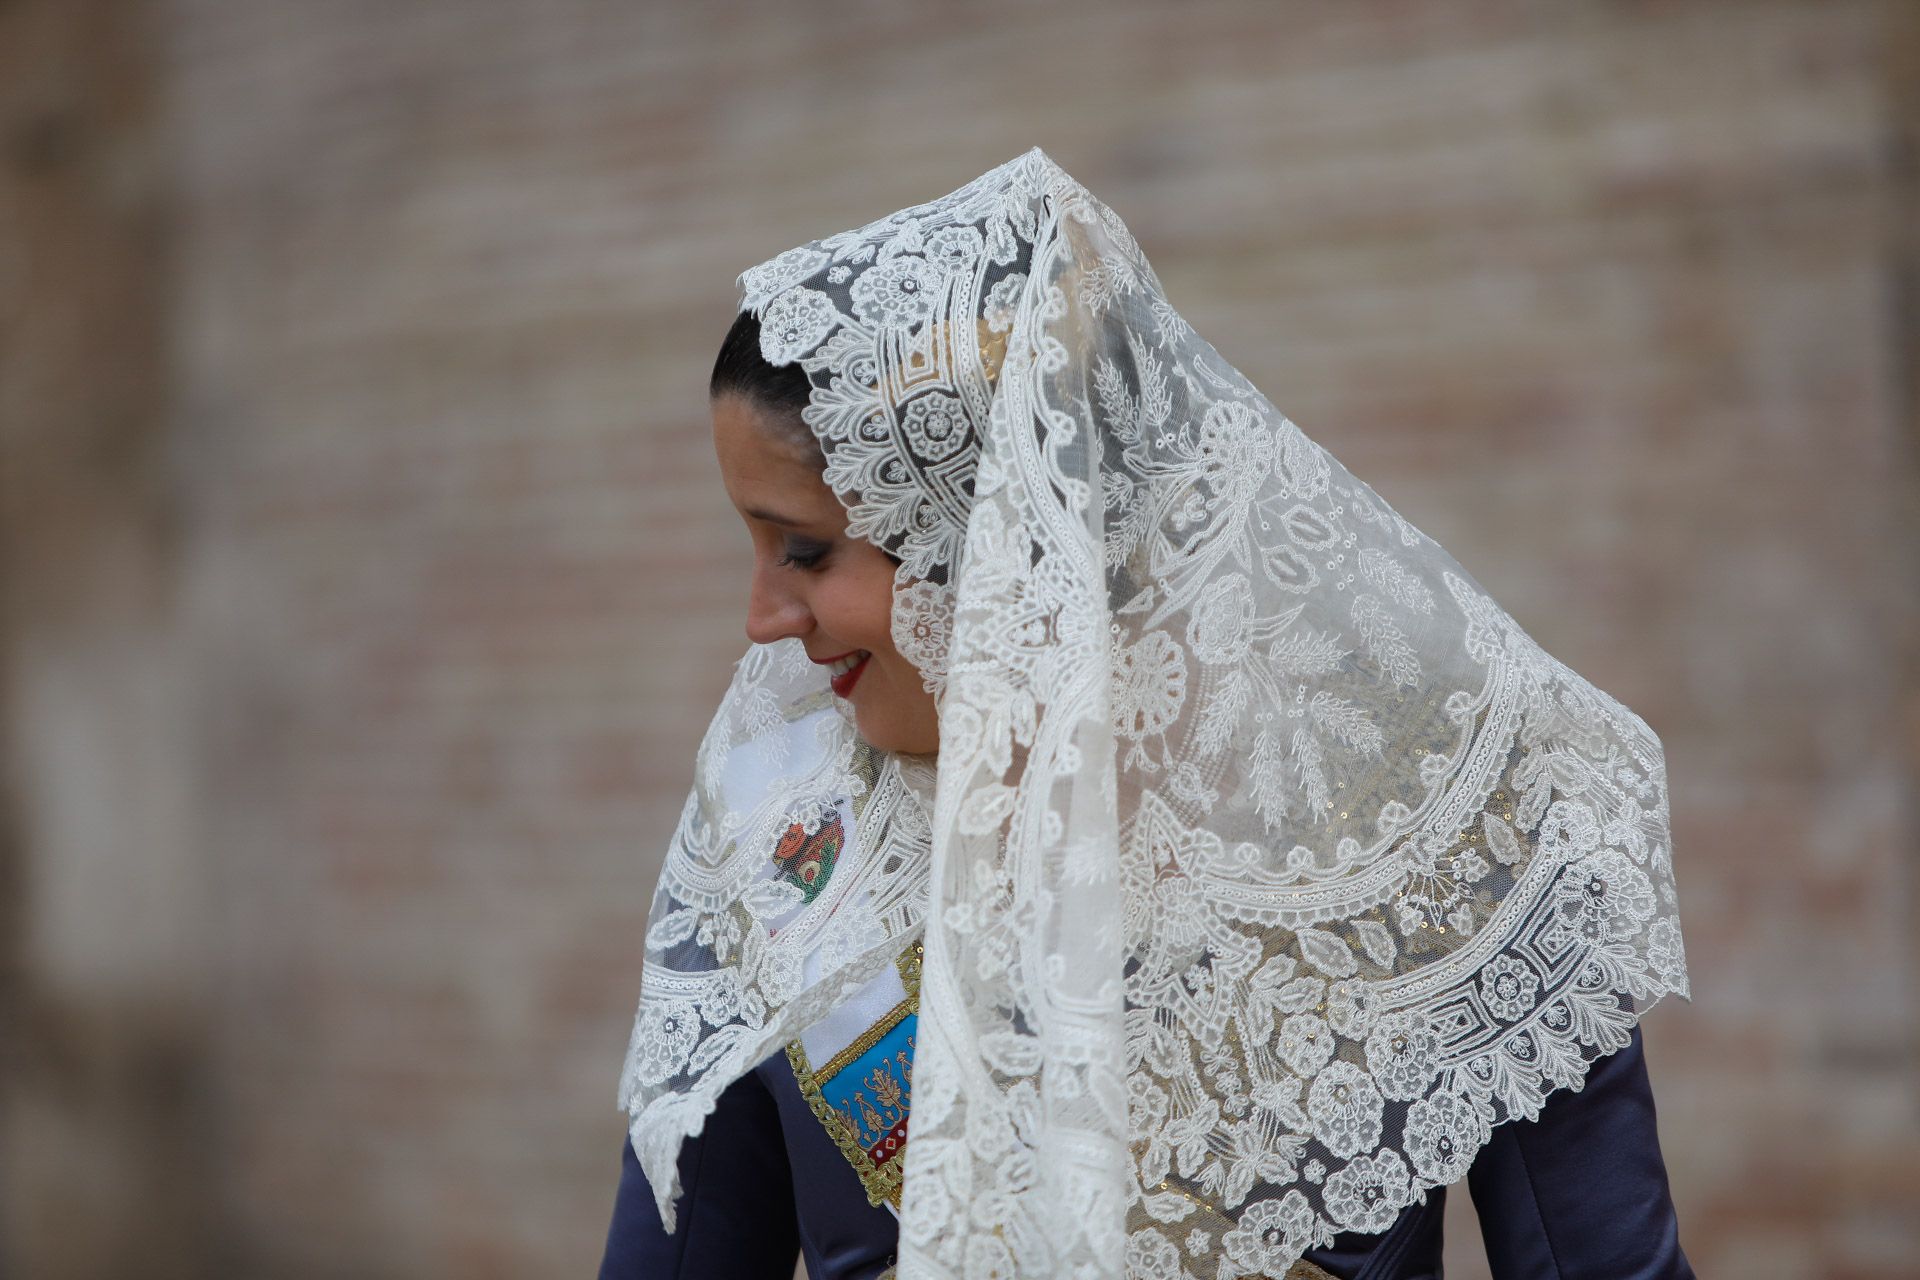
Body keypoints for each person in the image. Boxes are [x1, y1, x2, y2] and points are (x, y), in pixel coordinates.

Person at [604, 148, 1694, 1279]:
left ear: (999, 528)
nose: (762, 618)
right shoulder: (772, 843)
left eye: (805, 548)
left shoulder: (1428, 819)